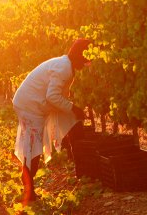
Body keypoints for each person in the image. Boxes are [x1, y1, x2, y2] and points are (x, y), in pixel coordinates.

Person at [12, 39, 91, 205]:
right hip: (30, 106)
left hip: (32, 103)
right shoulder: (63, 69)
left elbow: (57, 95)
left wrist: (73, 110)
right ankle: (28, 189)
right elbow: (52, 97)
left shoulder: (65, 64)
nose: (85, 66)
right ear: (78, 58)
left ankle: (75, 157)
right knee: (33, 149)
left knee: (69, 119)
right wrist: (73, 108)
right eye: (85, 61)